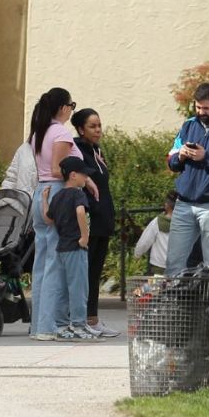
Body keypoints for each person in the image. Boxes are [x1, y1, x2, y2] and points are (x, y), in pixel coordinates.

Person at [27, 87, 87, 341]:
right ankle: (47, 326)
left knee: (42, 262)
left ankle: (38, 324)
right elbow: (58, 168)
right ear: (63, 107)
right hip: (58, 194)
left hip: (41, 191)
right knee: (54, 262)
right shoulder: (60, 132)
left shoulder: (39, 132)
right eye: (71, 105)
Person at [165, 82, 209, 276]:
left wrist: (206, 158)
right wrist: (181, 155)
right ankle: (173, 303)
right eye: (197, 107)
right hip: (184, 203)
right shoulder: (189, 125)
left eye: (206, 108)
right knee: (174, 261)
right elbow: (170, 160)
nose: (201, 112)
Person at [71, 108, 120, 337]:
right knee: (85, 272)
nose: (98, 130)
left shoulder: (96, 150)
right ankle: (81, 318)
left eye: (99, 125)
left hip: (103, 220)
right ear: (81, 129)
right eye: (92, 126)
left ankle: (92, 318)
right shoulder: (77, 150)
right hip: (89, 221)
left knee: (95, 271)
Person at [45, 156, 97, 341]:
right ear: (73, 175)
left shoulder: (58, 196)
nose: (86, 178)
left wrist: (45, 200)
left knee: (63, 288)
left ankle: (61, 326)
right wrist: (84, 236)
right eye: (84, 175)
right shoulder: (78, 194)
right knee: (79, 288)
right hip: (76, 247)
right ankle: (78, 325)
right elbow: (80, 211)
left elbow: (48, 219)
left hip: (62, 248)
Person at [135, 192, 177, 274]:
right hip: (180, 268)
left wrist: (137, 254)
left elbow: (144, 242)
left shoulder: (157, 222)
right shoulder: (186, 223)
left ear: (166, 205)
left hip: (159, 267)